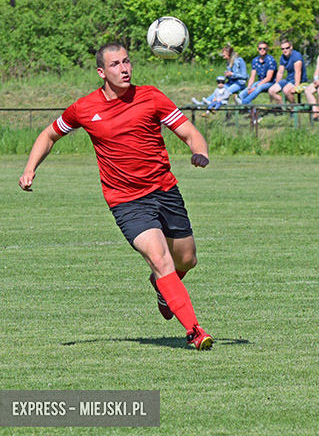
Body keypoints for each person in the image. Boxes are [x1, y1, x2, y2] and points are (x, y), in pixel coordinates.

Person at [18, 43, 214, 351]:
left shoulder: (151, 97)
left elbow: (189, 132)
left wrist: (199, 152)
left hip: (165, 191)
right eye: (115, 65)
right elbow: (49, 134)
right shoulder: (84, 108)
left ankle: (164, 289)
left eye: (126, 62)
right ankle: (194, 330)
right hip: (127, 201)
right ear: (101, 72)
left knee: (187, 259)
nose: (124, 69)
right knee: (160, 259)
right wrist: (30, 169)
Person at [235, 40, 278, 105]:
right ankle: (252, 112)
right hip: (260, 81)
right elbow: (252, 76)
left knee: (258, 87)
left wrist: (255, 87)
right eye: (260, 48)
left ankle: (244, 102)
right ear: (257, 49)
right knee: (243, 93)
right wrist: (249, 87)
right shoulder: (255, 60)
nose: (262, 50)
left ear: (267, 49)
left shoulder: (271, 60)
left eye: (264, 48)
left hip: (271, 83)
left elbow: (268, 78)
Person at [268, 40, 307, 106]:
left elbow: (298, 73)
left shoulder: (296, 56)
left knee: (286, 90)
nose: (285, 50)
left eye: (287, 48)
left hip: (299, 80)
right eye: (283, 49)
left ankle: (294, 108)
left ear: (291, 47)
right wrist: (277, 84)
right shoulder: (282, 57)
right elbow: (280, 72)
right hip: (288, 79)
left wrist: (296, 87)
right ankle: (284, 107)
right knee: (271, 90)